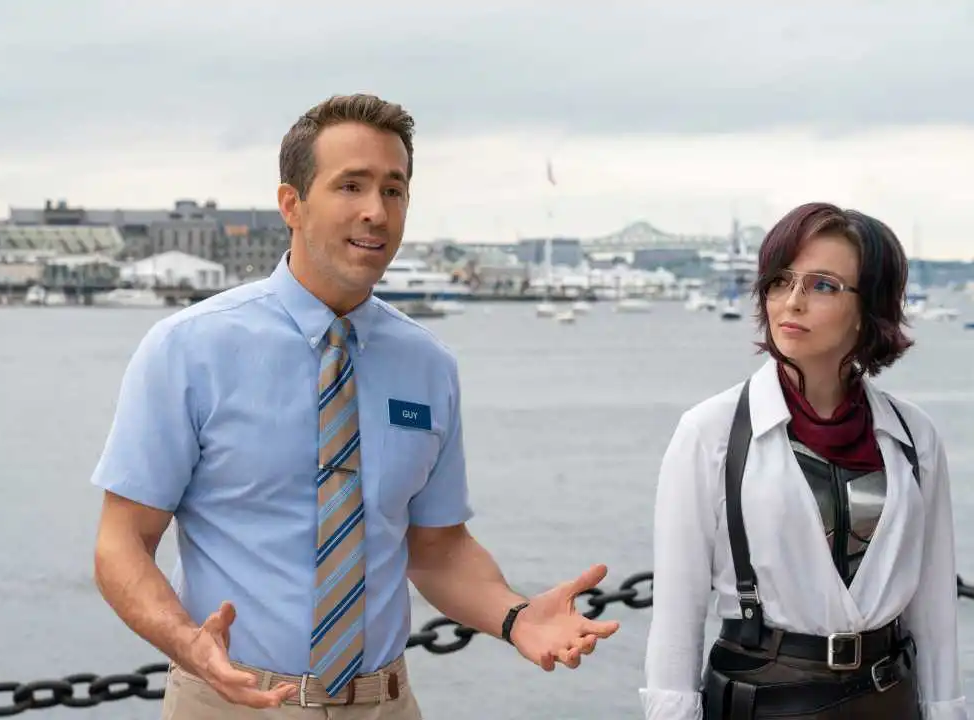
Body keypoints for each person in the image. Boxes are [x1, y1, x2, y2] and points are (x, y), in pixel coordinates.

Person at [90, 93, 620, 719]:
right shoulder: (188, 350)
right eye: (351, 186)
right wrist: (187, 643)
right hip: (233, 702)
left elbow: (437, 548)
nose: (376, 211)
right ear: (291, 203)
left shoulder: (428, 364)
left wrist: (516, 616)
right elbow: (122, 542)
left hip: (386, 705)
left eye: (394, 190)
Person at [640, 202, 968, 720]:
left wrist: (947, 712)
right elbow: (677, 614)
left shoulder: (914, 436)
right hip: (763, 700)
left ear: (869, 307)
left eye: (822, 286)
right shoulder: (711, 432)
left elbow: (933, 611)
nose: (791, 301)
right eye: (780, 281)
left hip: (889, 699)